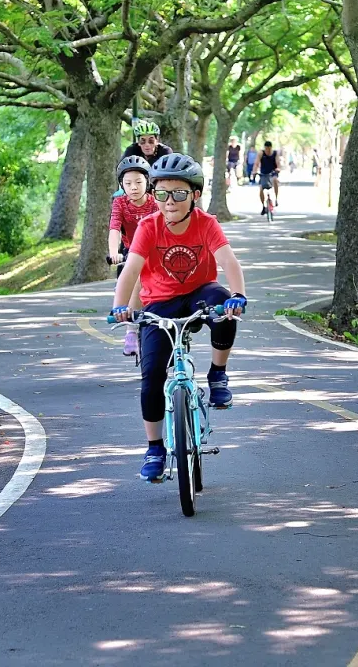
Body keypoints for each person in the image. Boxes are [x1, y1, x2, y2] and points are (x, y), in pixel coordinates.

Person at [111, 153, 247, 482]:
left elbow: (228, 262)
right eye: (161, 193)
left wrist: (239, 295)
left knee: (224, 304)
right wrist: (120, 307)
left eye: (179, 194)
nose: (169, 201)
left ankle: (217, 374)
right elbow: (130, 272)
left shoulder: (206, 223)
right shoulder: (148, 227)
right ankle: (155, 448)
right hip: (160, 303)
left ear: (195, 196)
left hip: (200, 292)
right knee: (152, 376)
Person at [107, 156, 156, 357]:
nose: (133, 187)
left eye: (138, 182)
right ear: (122, 185)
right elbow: (114, 229)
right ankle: (131, 332)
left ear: (148, 183)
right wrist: (113, 252)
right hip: (131, 252)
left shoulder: (155, 203)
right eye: (128, 183)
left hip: (156, 250)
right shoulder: (120, 203)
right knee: (133, 279)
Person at [255, 140, 281, 214]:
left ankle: (276, 198)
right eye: (266, 149)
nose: (268, 150)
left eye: (269, 149)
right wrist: (254, 171)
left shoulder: (275, 153)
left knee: (275, 180)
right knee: (261, 189)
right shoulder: (261, 153)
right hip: (263, 173)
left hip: (273, 172)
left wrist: (278, 168)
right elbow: (256, 163)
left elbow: (278, 163)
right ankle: (263, 206)